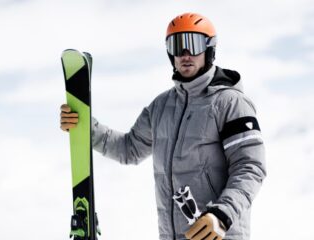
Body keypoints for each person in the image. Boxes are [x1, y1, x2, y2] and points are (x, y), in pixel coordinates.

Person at [60, 13, 266, 240]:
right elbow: (128, 149)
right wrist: (85, 127)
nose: (185, 54)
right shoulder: (161, 107)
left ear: (209, 49)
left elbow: (250, 167)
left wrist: (222, 214)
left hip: (218, 234)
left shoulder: (231, 103)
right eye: (178, 45)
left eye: (194, 44)